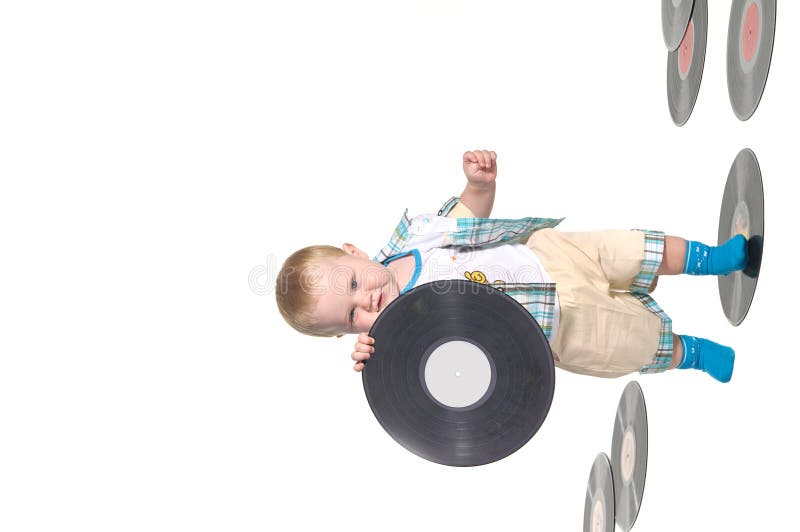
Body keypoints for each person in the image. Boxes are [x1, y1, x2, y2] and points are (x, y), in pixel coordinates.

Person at [275, 150, 747, 382]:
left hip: (550, 255)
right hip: (559, 328)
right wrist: (373, 359)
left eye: (354, 283)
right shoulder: (397, 334)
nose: (367, 300)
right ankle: (695, 354)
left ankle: (713, 259)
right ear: (347, 334)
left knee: (631, 248)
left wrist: (477, 185)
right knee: (634, 344)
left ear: (355, 253)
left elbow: (469, 215)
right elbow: (409, 372)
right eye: (352, 314)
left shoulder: (414, 236)